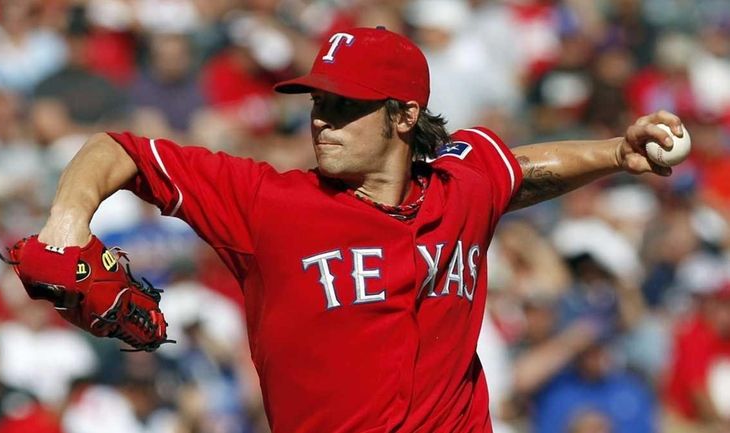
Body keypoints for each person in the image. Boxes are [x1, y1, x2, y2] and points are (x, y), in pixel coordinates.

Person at [34, 27, 683, 432]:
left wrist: (614, 153)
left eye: (344, 106)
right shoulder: (269, 204)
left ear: (402, 116)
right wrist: (67, 219)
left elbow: (521, 170)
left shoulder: (463, 185)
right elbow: (117, 150)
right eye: (319, 103)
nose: (322, 120)